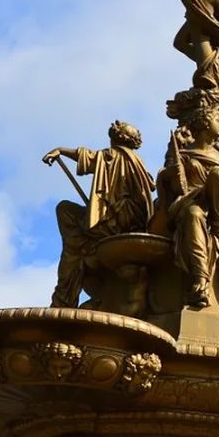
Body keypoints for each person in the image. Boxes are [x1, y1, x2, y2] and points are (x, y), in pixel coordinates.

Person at [43, 120, 154, 308]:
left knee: (65, 210)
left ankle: (79, 246)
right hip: (131, 219)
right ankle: (80, 246)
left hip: (114, 220)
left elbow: (87, 156)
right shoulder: (138, 162)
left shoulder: (112, 155)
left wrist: (60, 150)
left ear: (116, 138)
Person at [154, 106, 219, 308]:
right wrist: (171, 173)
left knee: (217, 174)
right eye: (217, 121)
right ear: (205, 123)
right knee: (194, 214)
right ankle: (200, 279)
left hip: (218, 206)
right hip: (190, 201)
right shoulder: (183, 154)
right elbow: (169, 186)